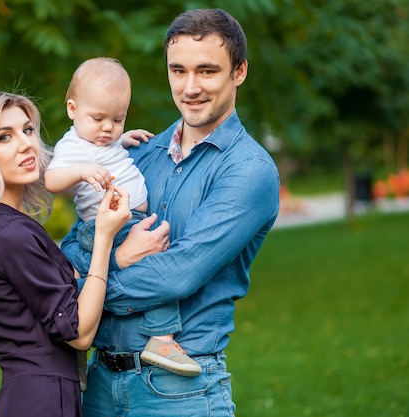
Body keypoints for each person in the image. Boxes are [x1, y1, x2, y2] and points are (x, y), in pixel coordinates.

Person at [60, 8, 281, 417]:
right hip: (98, 386)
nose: (190, 87)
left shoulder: (249, 172)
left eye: (207, 71)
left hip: (179, 394)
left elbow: (178, 273)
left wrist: (76, 292)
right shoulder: (136, 155)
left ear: (239, 72)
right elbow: (75, 243)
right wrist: (110, 260)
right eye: (178, 70)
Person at [0, 88, 132, 417]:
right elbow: (78, 332)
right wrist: (105, 236)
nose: (26, 144)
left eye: (27, 130)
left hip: (35, 395)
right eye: (3, 137)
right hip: (42, 401)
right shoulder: (8, 234)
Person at [44, 57, 201, 381]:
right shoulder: (72, 146)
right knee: (159, 264)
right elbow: (52, 180)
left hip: (125, 219)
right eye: (98, 118)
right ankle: (161, 338)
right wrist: (81, 172)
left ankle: (75, 353)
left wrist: (123, 138)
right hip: (105, 224)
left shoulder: (105, 138)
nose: (107, 128)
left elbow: (109, 144)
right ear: (72, 109)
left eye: (118, 118)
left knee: (123, 264)